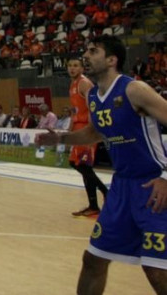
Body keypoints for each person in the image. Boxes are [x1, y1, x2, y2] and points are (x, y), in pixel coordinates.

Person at [36, 35, 167, 295]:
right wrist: (61, 138)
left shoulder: (134, 89)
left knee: (156, 271)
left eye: (93, 51)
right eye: (86, 50)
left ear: (111, 60)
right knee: (93, 260)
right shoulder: (94, 96)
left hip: (152, 186)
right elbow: (95, 133)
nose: (86, 55)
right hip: (121, 188)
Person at [64, 55, 109, 218]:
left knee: (83, 166)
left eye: (75, 65)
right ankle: (96, 202)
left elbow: (93, 107)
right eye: (70, 65)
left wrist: (91, 130)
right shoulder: (73, 84)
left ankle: (101, 197)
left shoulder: (84, 83)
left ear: (82, 68)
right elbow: (75, 110)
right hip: (78, 127)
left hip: (86, 128)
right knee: (77, 164)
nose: (72, 68)